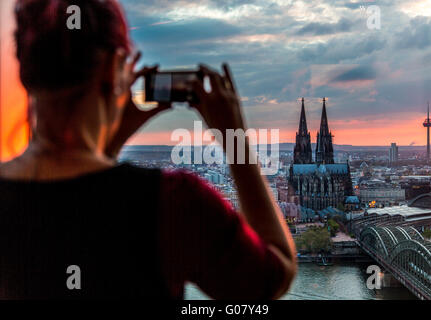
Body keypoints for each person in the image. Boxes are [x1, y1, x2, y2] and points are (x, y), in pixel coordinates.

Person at [0, 0, 296, 299]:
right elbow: (271, 279)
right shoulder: (172, 201)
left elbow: (73, 203)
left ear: (25, 72)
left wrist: (111, 142)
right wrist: (235, 138)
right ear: (115, 68)